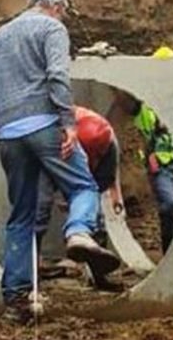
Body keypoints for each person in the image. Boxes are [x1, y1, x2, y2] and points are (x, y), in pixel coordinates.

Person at [0, 0, 120, 322]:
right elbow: (57, 75)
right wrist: (68, 122)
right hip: (47, 124)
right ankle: (78, 232)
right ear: (55, 7)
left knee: (21, 215)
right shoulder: (51, 28)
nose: (62, 16)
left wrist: (3, 111)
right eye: (63, 11)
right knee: (83, 187)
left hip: (8, 134)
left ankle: (18, 298)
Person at [35, 105, 124, 252]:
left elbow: (106, 177)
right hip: (62, 149)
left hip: (91, 167)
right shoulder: (61, 133)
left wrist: (116, 194)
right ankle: (33, 262)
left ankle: (95, 255)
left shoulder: (107, 144)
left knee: (92, 205)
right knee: (40, 208)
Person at [125, 46, 173, 253]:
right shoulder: (143, 103)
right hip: (160, 164)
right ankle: (170, 254)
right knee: (170, 206)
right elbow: (126, 96)